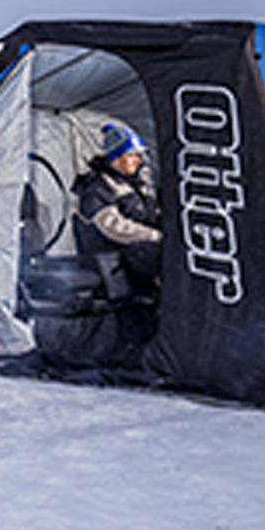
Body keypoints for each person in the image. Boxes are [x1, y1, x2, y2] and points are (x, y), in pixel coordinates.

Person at [68, 121, 163, 364]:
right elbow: (113, 227)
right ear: (116, 156)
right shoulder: (96, 187)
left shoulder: (136, 184)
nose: (137, 161)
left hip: (135, 254)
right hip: (109, 260)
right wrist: (155, 236)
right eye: (131, 156)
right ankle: (131, 351)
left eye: (138, 156)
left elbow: (152, 215)